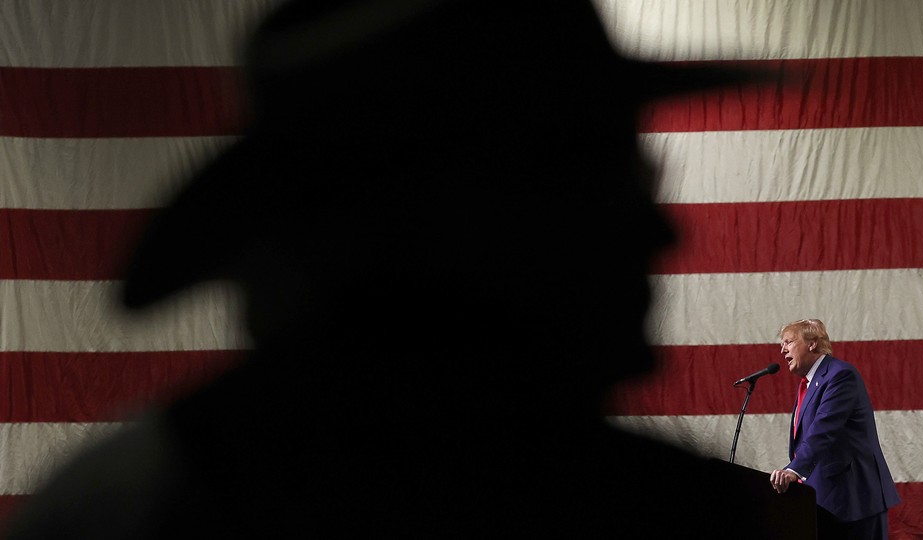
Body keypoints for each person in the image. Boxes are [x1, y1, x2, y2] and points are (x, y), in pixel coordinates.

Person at [3, 1, 769, 538]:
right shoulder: (674, 517)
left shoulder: (121, 509)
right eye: (578, 177)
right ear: (403, 218)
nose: (659, 229)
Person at [770, 319, 900, 539]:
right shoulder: (809, 383)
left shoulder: (840, 375)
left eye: (789, 342)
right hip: (828, 500)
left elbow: (824, 429)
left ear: (812, 343)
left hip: (855, 500)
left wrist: (794, 470)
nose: (782, 349)